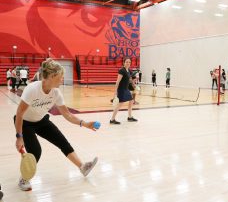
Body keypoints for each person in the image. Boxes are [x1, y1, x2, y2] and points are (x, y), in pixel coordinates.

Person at [14, 59, 98, 191]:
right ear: (52, 77)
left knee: (62, 142)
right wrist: (19, 136)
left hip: (42, 121)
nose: (62, 79)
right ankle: (24, 178)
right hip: (25, 123)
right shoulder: (32, 89)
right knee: (36, 150)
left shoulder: (56, 93)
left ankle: (82, 167)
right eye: (60, 77)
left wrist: (85, 123)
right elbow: (19, 113)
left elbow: (67, 114)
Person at [110, 57, 138, 125]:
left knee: (131, 101)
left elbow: (131, 78)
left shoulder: (129, 70)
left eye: (129, 62)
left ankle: (130, 117)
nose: (128, 63)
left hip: (126, 89)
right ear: (124, 62)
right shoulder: (122, 70)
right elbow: (117, 82)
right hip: (121, 90)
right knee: (120, 104)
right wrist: (115, 92)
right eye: (126, 62)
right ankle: (112, 119)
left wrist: (134, 84)